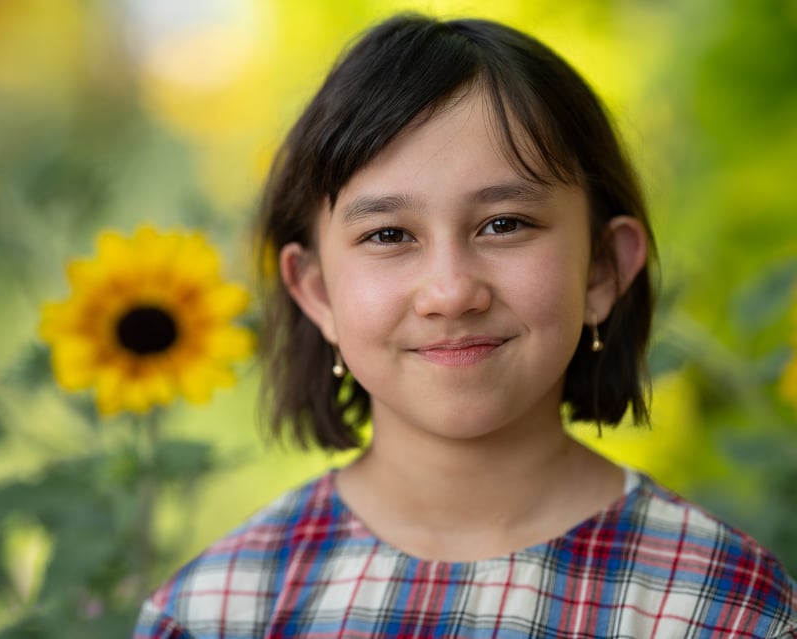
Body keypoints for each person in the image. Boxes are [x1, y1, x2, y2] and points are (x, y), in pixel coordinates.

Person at [134, 13, 797, 638]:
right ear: (317, 290)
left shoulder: (722, 604)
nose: (451, 292)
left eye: (504, 224)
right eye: (389, 233)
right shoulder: (216, 612)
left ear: (601, 269)